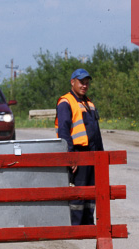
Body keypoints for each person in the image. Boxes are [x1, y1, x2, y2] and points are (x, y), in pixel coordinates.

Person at [55, 68, 103, 225]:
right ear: (72, 82)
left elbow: (96, 133)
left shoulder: (89, 103)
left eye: (87, 83)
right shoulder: (65, 102)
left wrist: (101, 157)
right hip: (78, 153)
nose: (84, 85)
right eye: (82, 82)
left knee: (92, 190)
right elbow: (63, 131)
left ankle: (88, 224)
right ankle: (75, 226)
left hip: (92, 154)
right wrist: (70, 156)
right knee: (79, 191)